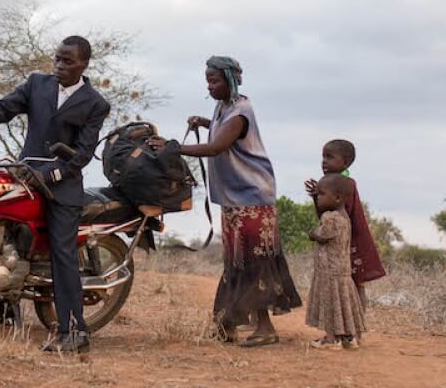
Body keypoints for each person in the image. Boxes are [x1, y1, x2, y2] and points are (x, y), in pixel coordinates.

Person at [0, 35, 111, 353]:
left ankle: (75, 332)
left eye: (68, 61)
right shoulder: (36, 84)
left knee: (62, 254)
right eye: (57, 58)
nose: (59, 65)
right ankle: (1, 314)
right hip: (24, 176)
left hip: (62, 188)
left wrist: (51, 173)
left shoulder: (96, 104)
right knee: (0, 237)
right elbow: (5, 107)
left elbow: (82, 154)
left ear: (84, 64)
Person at [155, 56, 301, 347]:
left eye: (215, 81)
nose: (209, 86)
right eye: (208, 81)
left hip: (252, 196)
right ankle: (228, 324)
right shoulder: (225, 107)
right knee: (237, 260)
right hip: (237, 198)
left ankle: (265, 328)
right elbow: (222, 132)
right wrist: (205, 121)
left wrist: (175, 148)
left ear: (232, 80)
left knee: (253, 262)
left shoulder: (240, 110)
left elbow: (218, 146)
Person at [305, 139, 385, 309]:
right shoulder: (330, 183)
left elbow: (336, 216)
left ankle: (355, 327)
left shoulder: (345, 184)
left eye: (330, 157)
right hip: (341, 241)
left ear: (345, 162)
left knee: (356, 285)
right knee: (346, 286)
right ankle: (347, 329)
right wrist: (316, 196)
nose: (324, 161)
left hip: (352, 241)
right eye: (323, 157)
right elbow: (325, 215)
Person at [305, 174, 366, 350]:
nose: (318, 197)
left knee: (330, 304)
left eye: (321, 194)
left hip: (329, 271)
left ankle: (332, 339)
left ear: (338, 198)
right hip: (343, 270)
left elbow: (321, 235)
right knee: (343, 305)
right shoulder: (345, 218)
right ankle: (348, 337)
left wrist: (312, 233)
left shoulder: (330, 218)